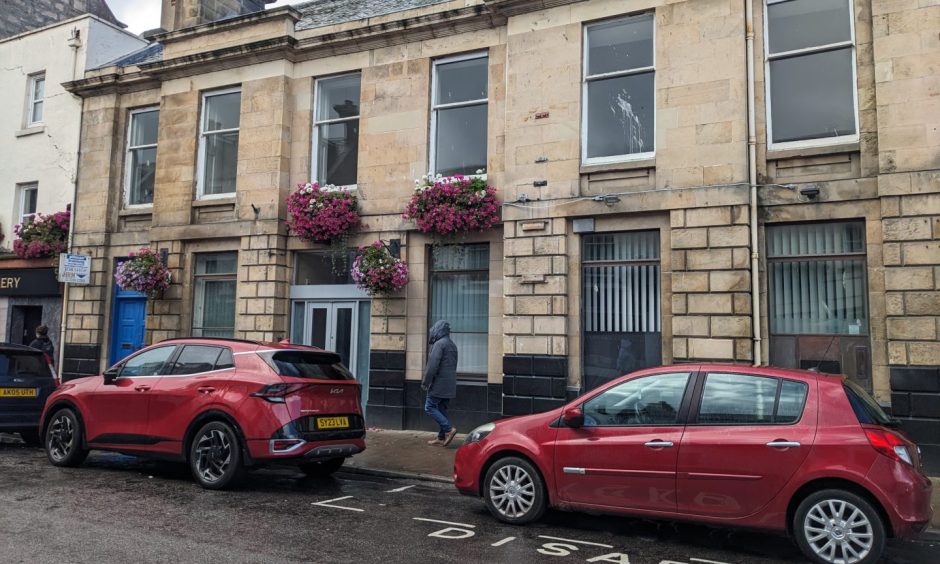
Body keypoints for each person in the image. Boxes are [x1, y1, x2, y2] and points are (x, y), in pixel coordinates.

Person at [422, 320, 458, 446]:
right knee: (441, 409)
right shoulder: (452, 345)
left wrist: (426, 382)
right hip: (450, 384)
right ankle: (441, 437)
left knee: (430, 407)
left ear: (438, 330)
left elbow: (432, 366)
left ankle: (448, 430)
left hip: (439, 384)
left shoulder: (439, 344)